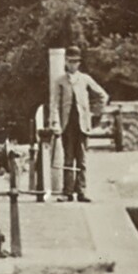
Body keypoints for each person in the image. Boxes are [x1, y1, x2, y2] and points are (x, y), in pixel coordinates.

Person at [51, 45, 109, 202]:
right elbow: (55, 104)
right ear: (66, 62)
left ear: (79, 63)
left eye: (76, 62)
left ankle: (82, 191)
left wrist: (95, 113)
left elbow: (103, 96)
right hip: (67, 125)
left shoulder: (85, 79)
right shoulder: (60, 81)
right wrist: (55, 123)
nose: (73, 65)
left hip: (82, 125)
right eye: (70, 61)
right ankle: (67, 192)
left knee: (82, 160)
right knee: (68, 159)